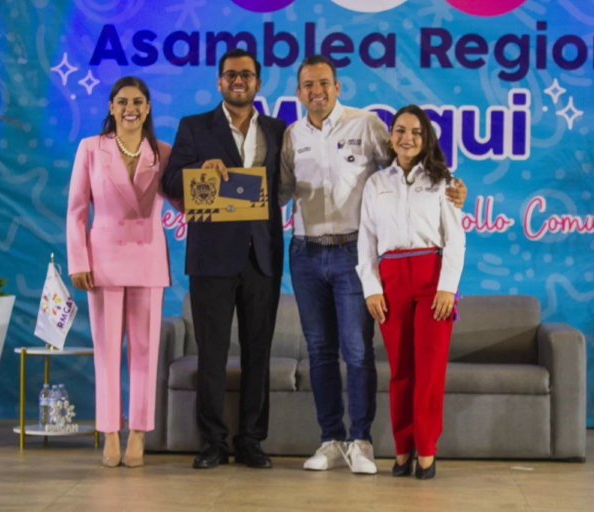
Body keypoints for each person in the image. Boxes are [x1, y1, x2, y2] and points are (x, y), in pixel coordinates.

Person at [279, 55, 467, 474]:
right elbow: (279, 192)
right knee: (320, 351)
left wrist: (453, 185)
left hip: (351, 254)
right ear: (298, 92)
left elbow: (408, 167)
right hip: (306, 252)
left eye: (324, 83)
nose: (317, 91)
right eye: (308, 85)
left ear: (338, 86)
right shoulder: (292, 135)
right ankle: (330, 439)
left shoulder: (367, 125)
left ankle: (361, 441)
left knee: (358, 352)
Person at [161, 49, 287, 469]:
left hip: (261, 258)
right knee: (211, 354)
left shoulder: (277, 129)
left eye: (247, 75)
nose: (239, 80)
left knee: (258, 354)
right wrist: (200, 166)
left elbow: (287, 184)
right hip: (211, 258)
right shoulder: (194, 127)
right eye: (231, 74)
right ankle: (212, 443)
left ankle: (251, 440)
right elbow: (171, 179)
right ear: (219, 82)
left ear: (258, 82)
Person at [67, 76, 171, 468]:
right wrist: (79, 261)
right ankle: (109, 431)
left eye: (139, 101)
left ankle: (138, 434)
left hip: (148, 259)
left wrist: (214, 180)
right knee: (108, 353)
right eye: (123, 101)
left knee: (145, 353)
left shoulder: (164, 152)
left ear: (147, 108)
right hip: (102, 261)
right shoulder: (91, 149)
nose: (131, 107)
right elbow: (77, 210)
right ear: (111, 107)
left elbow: (186, 198)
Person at [357, 105, 466, 480]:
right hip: (391, 282)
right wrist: (372, 288)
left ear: (426, 139)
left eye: (417, 132)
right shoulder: (376, 183)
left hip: (430, 277)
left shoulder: (443, 180)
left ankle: (427, 452)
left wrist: (447, 288)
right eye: (401, 130)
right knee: (400, 371)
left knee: (430, 370)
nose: (408, 138)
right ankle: (403, 449)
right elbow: (366, 240)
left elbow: (455, 239)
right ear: (390, 136)